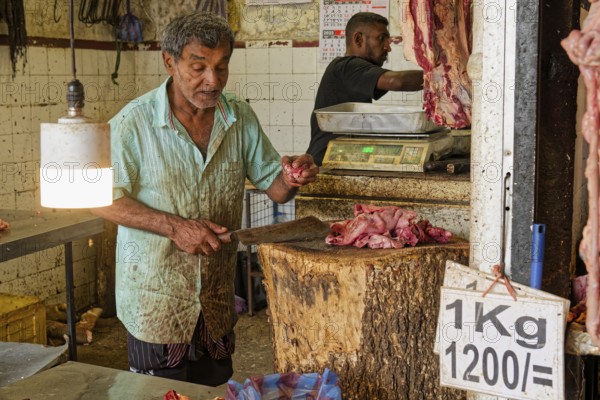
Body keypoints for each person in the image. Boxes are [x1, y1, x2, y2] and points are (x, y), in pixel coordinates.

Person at [91, 12, 318, 386]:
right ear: (169, 61)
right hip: (157, 301)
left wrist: (294, 174)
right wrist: (175, 227)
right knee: (158, 393)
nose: (212, 81)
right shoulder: (134, 123)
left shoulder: (238, 116)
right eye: (198, 67)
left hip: (214, 300)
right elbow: (98, 198)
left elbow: (274, 187)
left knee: (215, 389)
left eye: (221, 67)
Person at [307, 12, 424, 166]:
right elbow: (397, 81)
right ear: (358, 39)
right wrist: (445, 77)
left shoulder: (350, 69)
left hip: (338, 159)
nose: (388, 47)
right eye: (381, 38)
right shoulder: (347, 66)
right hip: (324, 165)